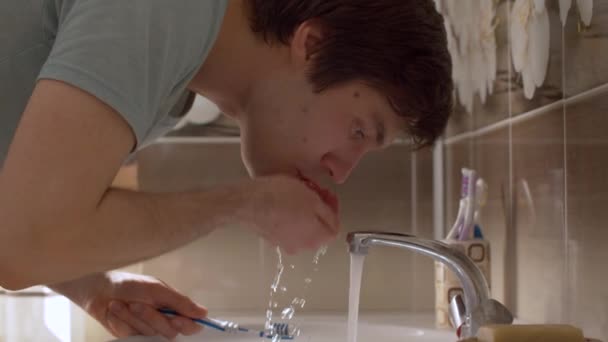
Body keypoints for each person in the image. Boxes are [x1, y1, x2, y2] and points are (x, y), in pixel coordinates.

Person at [0, 0, 452, 339]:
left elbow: (20, 213)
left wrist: (94, 285)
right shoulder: (165, 11)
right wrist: (240, 203)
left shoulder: (173, 91)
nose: (342, 171)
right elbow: (21, 246)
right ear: (312, 45)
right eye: (359, 131)